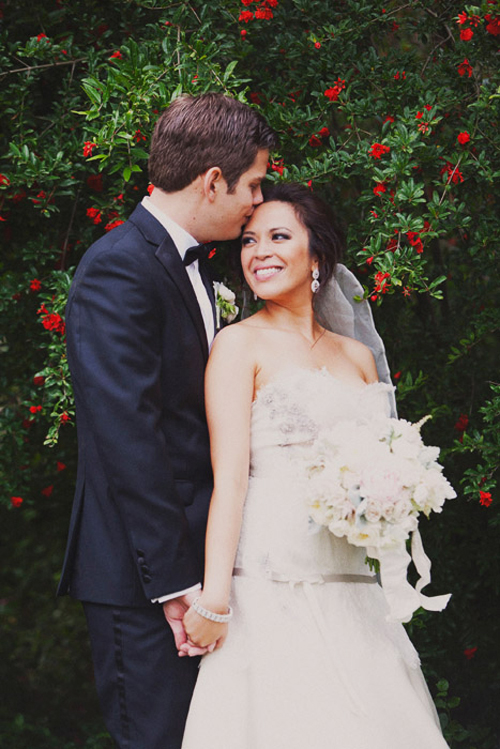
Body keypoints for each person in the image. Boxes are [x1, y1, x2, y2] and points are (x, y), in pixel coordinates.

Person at [180, 183, 450, 748]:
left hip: (352, 584)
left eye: (279, 236)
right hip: (269, 586)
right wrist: (214, 600)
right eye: (250, 240)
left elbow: (381, 459)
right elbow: (228, 480)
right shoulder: (238, 345)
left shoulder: (356, 357)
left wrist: (392, 492)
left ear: (318, 256)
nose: (259, 252)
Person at [57, 92, 278, 749]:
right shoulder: (118, 269)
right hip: (144, 580)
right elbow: (130, 439)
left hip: (198, 572)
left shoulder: (190, 267)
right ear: (213, 180)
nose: (257, 203)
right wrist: (180, 586)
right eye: (254, 184)